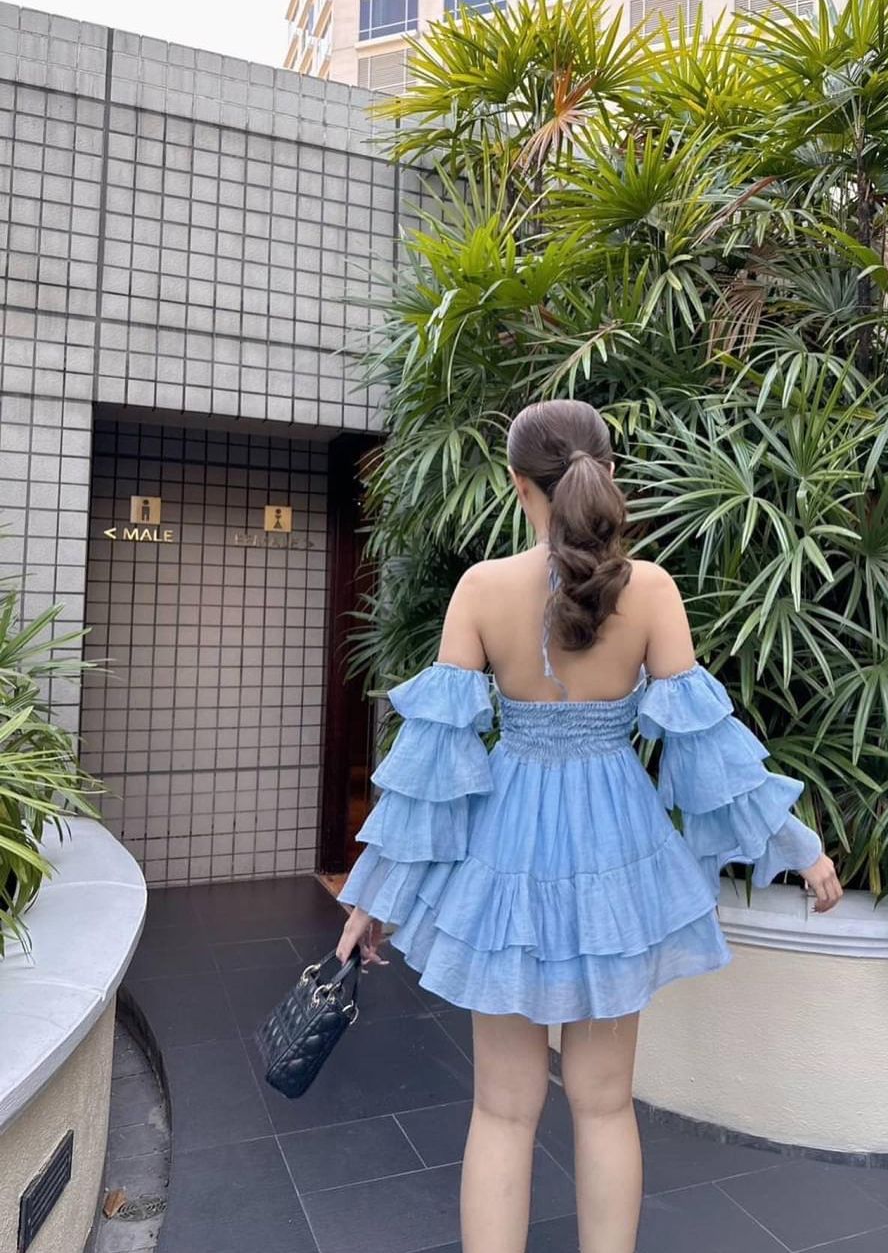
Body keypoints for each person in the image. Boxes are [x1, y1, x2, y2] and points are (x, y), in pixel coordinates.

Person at [336, 398, 842, 1253]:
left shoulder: (481, 589)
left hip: (508, 843)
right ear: (606, 472)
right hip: (618, 845)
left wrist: (372, 896)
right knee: (605, 1106)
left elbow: (431, 767)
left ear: (516, 484)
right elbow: (706, 746)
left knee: (502, 1110)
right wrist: (800, 846)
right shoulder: (651, 591)